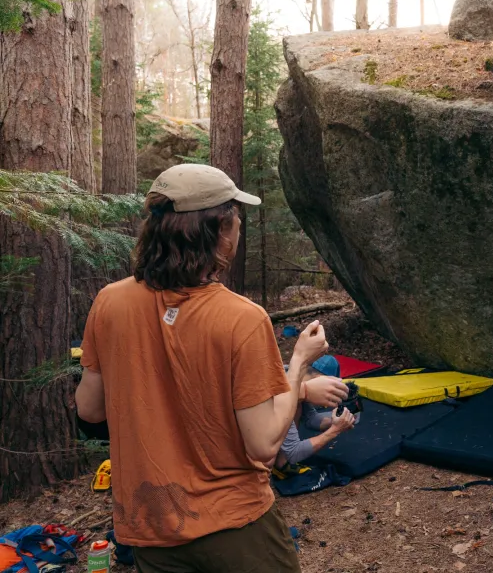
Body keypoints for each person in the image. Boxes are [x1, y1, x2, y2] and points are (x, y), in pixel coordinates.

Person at [74, 163, 350, 572]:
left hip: (150, 524)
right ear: (220, 231)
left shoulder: (109, 302)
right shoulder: (242, 318)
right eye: (236, 218)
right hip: (234, 523)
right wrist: (298, 366)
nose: (239, 227)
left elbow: (90, 410)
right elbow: (264, 445)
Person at [273, 355, 356, 476]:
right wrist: (335, 430)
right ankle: (279, 465)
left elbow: (310, 419)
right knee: (294, 405)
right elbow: (294, 453)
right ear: (319, 379)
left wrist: (337, 419)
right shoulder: (282, 390)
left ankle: (279, 463)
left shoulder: (300, 380)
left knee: (298, 405)